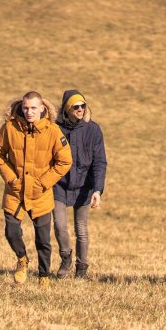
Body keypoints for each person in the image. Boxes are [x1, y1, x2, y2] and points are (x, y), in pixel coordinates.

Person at [0, 91, 72, 285]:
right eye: (26, 108)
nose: (29, 112)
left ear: (42, 108)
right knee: (11, 232)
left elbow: (65, 160)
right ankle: (22, 259)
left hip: (41, 195)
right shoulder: (9, 128)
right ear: (21, 107)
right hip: (15, 191)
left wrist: (43, 183)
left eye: (33, 108)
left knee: (43, 240)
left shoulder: (52, 131)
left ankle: (44, 276)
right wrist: (11, 178)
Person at [53, 89, 107, 279]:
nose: (80, 109)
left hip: (85, 186)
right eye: (76, 107)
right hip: (58, 185)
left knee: (81, 229)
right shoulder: (55, 128)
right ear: (67, 109)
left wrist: (98, 190)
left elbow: (99, 162)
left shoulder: (93, 130)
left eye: (83, 106)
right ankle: (65, 258)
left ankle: (82, 268)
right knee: (59, 225)